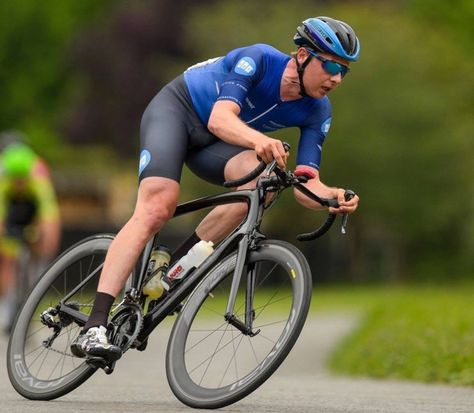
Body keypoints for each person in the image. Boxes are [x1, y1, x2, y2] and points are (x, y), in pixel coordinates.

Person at [71, 16, 361, 360]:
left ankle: (171, 273)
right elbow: (220, 119)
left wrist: (330, 196)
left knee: (266, 184)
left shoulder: (318, 110)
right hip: (179, 113)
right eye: (330, 65)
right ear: (302, 56)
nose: (336, 78)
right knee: (156, 208)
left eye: (344, 70)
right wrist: (259, 140)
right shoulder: (259, 59)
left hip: (216, 145)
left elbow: (305, 184)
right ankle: (95, 326)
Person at [0, 136, 61, 333]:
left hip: (32, 209)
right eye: (15, 179)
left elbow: (50, 217)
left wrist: (47, 250)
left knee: (39, 248)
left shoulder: (39, 177)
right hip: (11, 208)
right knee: (8, 260)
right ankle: (6, 307)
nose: (18, 182)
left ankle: (29, 297)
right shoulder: (3, 177)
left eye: (22, 178)